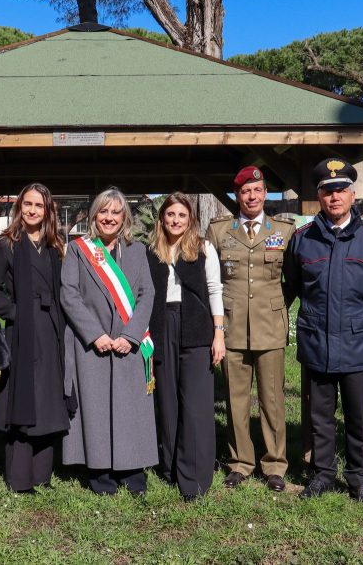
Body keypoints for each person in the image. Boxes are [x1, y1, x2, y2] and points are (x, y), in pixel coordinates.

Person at [283, 158, 363, 506]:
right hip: (318, 339)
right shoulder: (303, 240)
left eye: (341, 191)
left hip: (359, 341)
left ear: (352, 195)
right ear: (319, 196)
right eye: (328, 191)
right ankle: (323, 473)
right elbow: (296, 284)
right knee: (320, 415)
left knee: (358, 416)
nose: (334, 197)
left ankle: (358, 478)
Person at [61, 187, 158, 495]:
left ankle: (132, 471)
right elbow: (69, 294)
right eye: (103, 211)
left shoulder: (136, 250)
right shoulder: (79, 249)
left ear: (124, 217)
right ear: (94, 216)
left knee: (131, 407)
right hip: (94, 344)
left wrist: (130, 336)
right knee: (97, 408)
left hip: (129, 343)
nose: (109, 217)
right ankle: (101, 473)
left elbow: (147, 294)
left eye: (116, 212)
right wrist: (95, 335)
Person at [206, 167, 295, 492]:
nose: (252, 196)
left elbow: (294, 279)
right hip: (231, 328)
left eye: (257, 190)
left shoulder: (284, 231)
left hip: (270, 327)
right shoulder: (218, 232)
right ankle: (240, 462)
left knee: (272, 399)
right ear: (237, 196)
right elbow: (211, 280)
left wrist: (276, 305)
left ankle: (274, 464)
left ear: (266, 193)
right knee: (236, 399)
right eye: (246, 192)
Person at [0, 183, 70, 493]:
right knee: (23, 397)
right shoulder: (6, 243)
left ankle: (42, 473)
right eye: (28, 204)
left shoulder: (55, 246)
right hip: (21, 330)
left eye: (39, 205)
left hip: (51, 329)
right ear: (20, 207)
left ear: (48, 210)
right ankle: (19, 476)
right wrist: (15, 311)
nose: (33, 210)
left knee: (48, 397)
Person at [146, 193, 225, 501]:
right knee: (167, 402)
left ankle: (194, 478)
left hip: (196, 327)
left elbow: (215, 290)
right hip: (162, 327)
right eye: (170, 215)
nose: (175, 220)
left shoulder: (204, 249)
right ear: (162, 219)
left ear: (190, 219)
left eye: (181, 215)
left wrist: (219, 334)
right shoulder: (151, 251)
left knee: (195, 405)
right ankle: (170, 468)